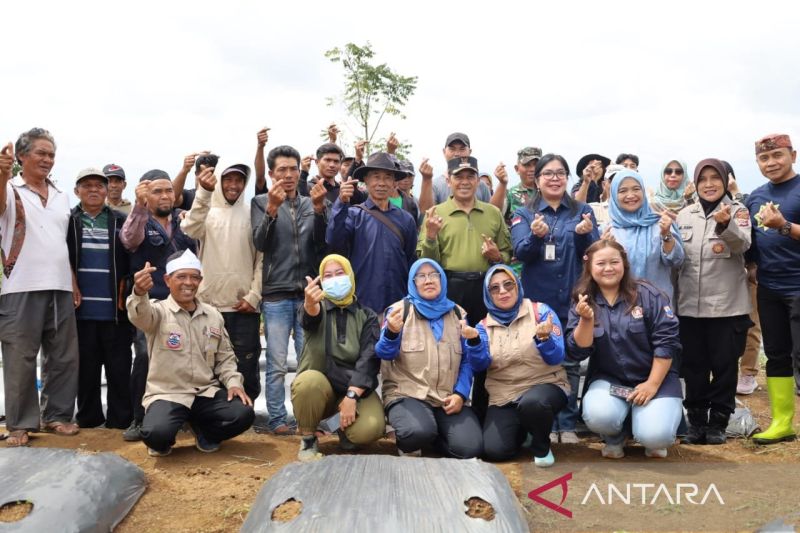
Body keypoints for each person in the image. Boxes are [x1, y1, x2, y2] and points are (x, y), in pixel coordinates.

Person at [127, 250, 254, 456]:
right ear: (168, 280)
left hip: (204, 392)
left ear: (200, 281)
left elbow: (225, 358)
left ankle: (205, 432)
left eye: (194, 277)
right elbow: (139, 315)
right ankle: (166, 432)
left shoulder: (212, 315)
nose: (189, 282)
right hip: (169, 393)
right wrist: (139, 293)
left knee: (243, 414)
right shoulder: (157, 312)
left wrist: (233, 383)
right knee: (155, 435)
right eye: (181, 277)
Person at [510, 153, 599, 444]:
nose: (555, 178)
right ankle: (543, 423)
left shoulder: (582, 210)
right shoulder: (525, 213)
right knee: (539, 359)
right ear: (536, 181)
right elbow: (521, 253)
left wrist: (585, 235)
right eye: (548, 173)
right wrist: (536, 237)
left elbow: (594, 253)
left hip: (574, 299)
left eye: (560, 173)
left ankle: (567, 423)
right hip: (538, 303)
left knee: (571, 362)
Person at [567, 239, 683, 459]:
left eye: (614, 262)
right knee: (598, 415)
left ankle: (649, 429)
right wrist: (586, 320)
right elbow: (577, 352)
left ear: (624, 264)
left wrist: (652, 384)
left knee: (655, 435)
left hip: (656, 379)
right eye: (601, 263)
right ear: (590, 268)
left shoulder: (649, 294)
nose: (608, 268)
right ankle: (616, 435)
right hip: (611, 379)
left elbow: (667, 342)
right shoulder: (583, 299)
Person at [0, 128, 80, 447]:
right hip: (20, 285)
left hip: (60, 284)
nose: (47, 159)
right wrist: (2, 174)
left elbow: (62, 242)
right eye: (41, 153)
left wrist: (72, 280)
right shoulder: (9, 188)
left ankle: (58, 416)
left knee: (62, 355)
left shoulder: (61, 195)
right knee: (20, 355)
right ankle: (19, 423)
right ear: (21, 157)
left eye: (51, 154)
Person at [417, 155, 511, 421]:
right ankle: (445, 411)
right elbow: (426, 263)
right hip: (450, 288)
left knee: (486, 347)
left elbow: (507, 254)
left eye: (470, 176)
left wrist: (495, 256)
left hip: (485, 288)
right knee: (448, 351)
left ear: (478, 179)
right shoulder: (435, 214)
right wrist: (432, 236)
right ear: (448, 181)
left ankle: (484, 412)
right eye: (459, 176)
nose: (465, 182)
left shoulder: (492, 212)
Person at [251, 145, 328, 434]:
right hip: (275, 294)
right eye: (281, 169)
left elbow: (322, 244)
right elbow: (260, 243)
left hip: (308, 293)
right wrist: (271, 210)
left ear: (300, 172)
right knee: (276, 362)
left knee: (309, 361)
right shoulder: (260, 202)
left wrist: (320, 211)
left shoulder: (312, 203)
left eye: (293, 169)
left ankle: (307, 419)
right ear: (271, 174)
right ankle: (277, 419)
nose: (288, 174)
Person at [676, 158, 752, 445]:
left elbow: (743, 244)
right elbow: (676, 263)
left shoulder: (738, 210)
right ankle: (696, 422)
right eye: (703, 179)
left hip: (726, 307)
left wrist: (726, 225)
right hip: (689, 308)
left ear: (725, 180)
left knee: (724, 366)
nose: (709, 184)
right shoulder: (684, 215)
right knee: (693, 367)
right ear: (696, 183)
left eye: (715, 178)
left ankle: (719, 422)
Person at [375, 258, 484, 458]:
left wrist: (460, 394)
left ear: (442, 280)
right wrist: (391, 332)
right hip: (407, 394)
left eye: (434, 275)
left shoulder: (458, 313)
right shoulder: (399, 311)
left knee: (470, 448)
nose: (428, 280)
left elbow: (468, 360)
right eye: (421, 276)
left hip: (446, 398)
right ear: (413, 282)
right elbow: (383, 353)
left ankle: (434, 438)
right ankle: (416, 435)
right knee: (417, 433)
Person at [120, 169, 197, 441]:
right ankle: (139, 418)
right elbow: (129, 239)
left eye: (168, 191)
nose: (165, 195)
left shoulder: (184, 219)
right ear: (145, 196)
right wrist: (139, 209)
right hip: (151, 303)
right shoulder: (139, 221)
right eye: (157, 191)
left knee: (187, 357)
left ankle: (187, 418)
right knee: (144, 357)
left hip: (185, 302)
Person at [469, 264, 569, 467]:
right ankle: (524, 430)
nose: (503, 291)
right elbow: (480, 365)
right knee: (495, 451)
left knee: (533, 404)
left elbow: (556, 357)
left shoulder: (540, 312)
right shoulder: (482, 326)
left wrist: (544, 338)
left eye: (508, 284)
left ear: (518, 285)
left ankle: (541, 447)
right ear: (488, 294)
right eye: (494, 288)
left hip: (544, 386)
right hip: (504, 395)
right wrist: (473, 343)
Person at [181, 162, 263, 401]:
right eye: (228, 179)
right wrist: (203, 193)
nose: (233, 185)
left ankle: (243, 415)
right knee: (205, 363)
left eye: (239, 180)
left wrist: (254, 296)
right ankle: (208, 417)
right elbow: (190, 229)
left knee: (245, 364)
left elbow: (261, 260)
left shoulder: (252, 212)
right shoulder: (205, 212)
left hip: (244, 306)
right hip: (209, 307)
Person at [291, 254, 385, 461]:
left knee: (372, 427)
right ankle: (308, 439)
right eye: (328, 275)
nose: (335, 279)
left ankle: (346, 431)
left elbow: (369, 359)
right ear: (321, 282)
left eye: (340, 273)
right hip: (320, 391)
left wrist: (352, 396)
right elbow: (309, 319)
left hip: (352, 388)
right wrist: (309, 304)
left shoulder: (366, 315)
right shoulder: (317, 307)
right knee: (308, 383)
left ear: (350, 276)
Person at [67, 168, 133, 429]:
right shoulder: (68, 221)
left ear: (108, 191)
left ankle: (120, 421)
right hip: (80, 312)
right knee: (86, 372)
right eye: (87, 185)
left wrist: (126, 293)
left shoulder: (120, 221)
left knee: (119, 371)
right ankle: (88, 419)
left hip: (114, 312)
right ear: (77, 191)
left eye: (99, 185)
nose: (93, 190)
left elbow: (131, 260)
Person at [746, 133, 800, 444]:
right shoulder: (756, 196)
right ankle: (782, 422)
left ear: (793, 154)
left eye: (777, 155)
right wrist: (752, 264)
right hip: (769, 286)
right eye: (764, 158)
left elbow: (779, 228)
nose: (771, 163)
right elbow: (752, 239)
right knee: (777, 354)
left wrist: (783, 225)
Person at [326, 152, 417, 314]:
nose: (382, 183)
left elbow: (410, 260)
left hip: (398, 304)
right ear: (366, 180)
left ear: (394, 182)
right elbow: (334, 242)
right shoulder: (353, 214)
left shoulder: (406, 219)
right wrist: (341, 203)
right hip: (362, 304)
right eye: (376, 177)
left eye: (388, 177)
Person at [607, 170, 684, 302]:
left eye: (636, 189)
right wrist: (605, 249)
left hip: (658, 308)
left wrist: (666, 235)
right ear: (614, 195)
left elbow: (676, 261)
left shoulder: (660, 223)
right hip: (620, 308)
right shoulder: (608, 231)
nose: (630, 195)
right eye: (623, 191)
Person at [418, 132, 495, 213]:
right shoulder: (435, 185)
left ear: (470, 151)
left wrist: (502, 183)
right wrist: (426, 179)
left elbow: (492, 214)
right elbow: (426, 214)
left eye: (462, 149)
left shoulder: (481, 185)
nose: (457, 154)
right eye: (452, 149)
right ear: (444, 152)